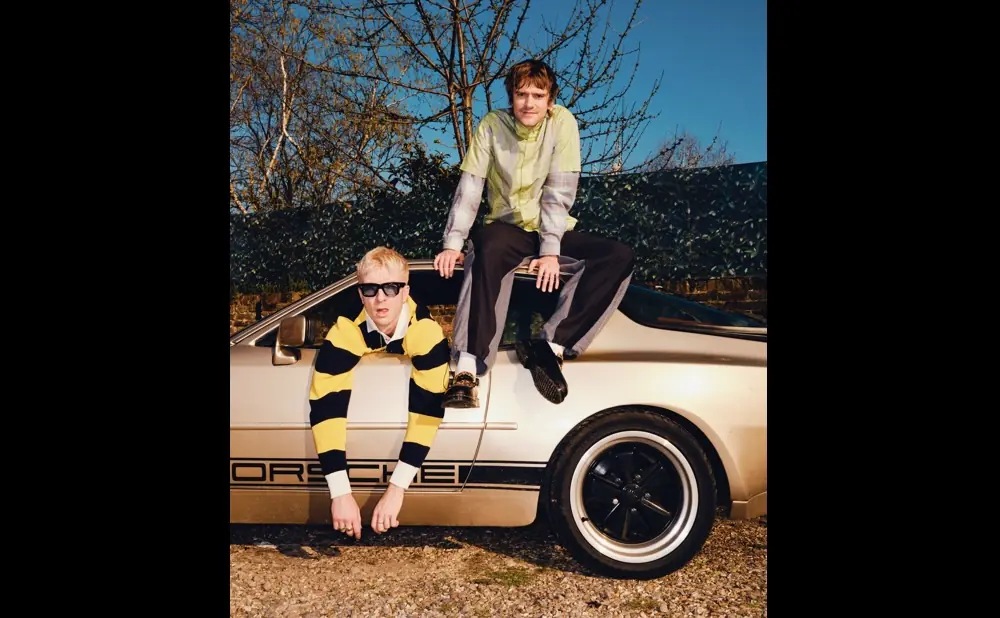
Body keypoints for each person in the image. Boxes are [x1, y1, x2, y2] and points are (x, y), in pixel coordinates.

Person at [434, 58, 635, 408]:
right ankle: (467, 368)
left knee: (618, 256)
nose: (528, 102)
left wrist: (550, 251)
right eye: (521, 94)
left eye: (538, 95)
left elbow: (559, 192)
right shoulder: (492, 126)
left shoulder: (563, 124)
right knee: (485, 245)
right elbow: (470, 188)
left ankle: (550, 346)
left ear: (550, 99)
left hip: (550, 231)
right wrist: (453, 243)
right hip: (508, 230)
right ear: (511, 97)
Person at [308, 246, 451, 539]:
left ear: (406, 292)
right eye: (371, 289)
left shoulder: (427, 334)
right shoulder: (345, 331)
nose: (381, 298)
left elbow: (426, 415)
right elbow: (326, 411)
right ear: (360, 295)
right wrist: (340, 493)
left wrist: (396, 490)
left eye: (390, 287)